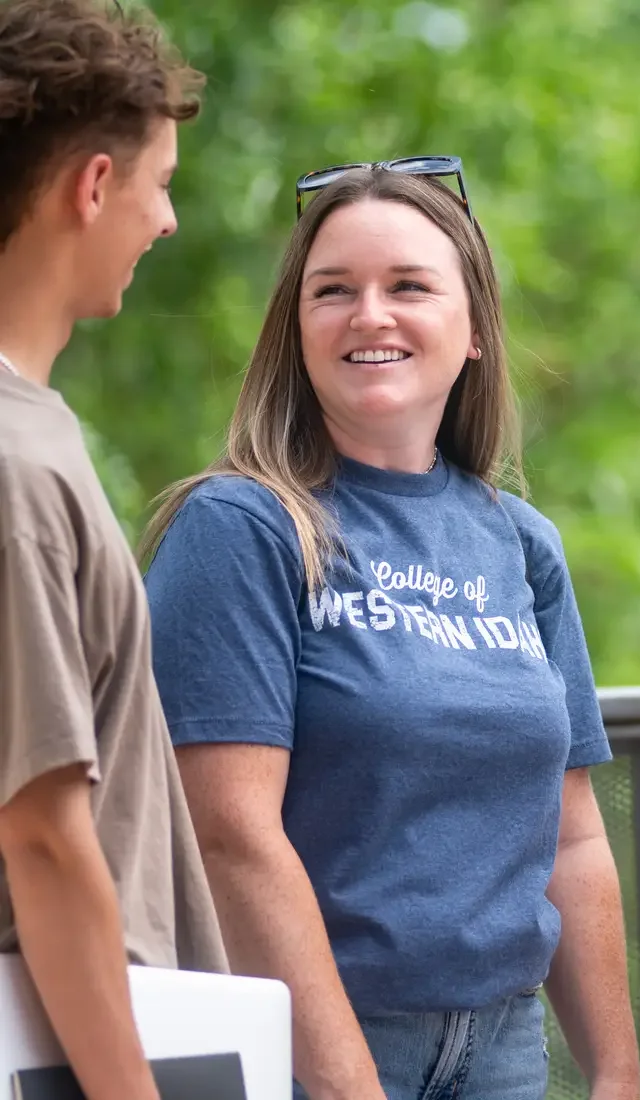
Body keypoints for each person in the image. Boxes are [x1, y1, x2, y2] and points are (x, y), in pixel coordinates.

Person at [141, 163, 640, 1100]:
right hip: (302, 1040)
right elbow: (229, 835)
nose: (370, 314)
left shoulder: (521, 543)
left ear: (477, 332)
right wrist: (347, 1082)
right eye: (334, 291)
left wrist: (615, 1072)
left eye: (409, 286)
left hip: (503, 1044)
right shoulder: (242, 527)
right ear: (297, 332)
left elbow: (572, 837)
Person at [0, 2, 227, 1099]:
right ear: (92, 186)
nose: (168, 218)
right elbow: (41, 834)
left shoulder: (36, 432)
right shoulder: (14, 465)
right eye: (160, 181)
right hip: (67, 1056)